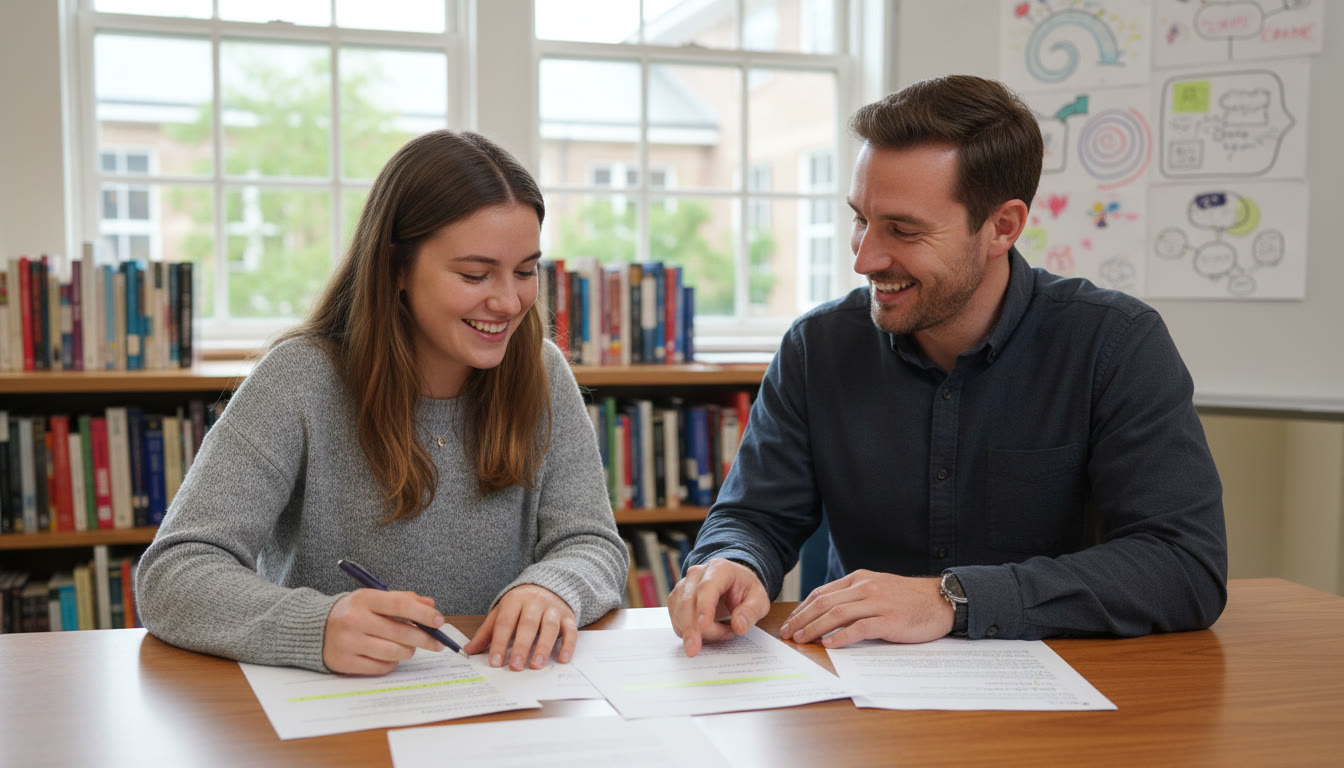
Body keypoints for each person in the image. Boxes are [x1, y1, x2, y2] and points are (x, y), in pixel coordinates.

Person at [669, 75, 1228, 656]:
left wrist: (953, 598)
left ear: (1002, 228)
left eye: (903, 230)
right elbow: (754, 515)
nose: (864, 258)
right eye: (861, 218)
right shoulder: (817, 347)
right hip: (857, 703)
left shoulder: (1115, 344)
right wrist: (730, 562)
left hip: (1055, 700)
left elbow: (1183, 564)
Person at [137, 130, 629, 675]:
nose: (509, 301)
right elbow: (173, 573)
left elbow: (593, 544)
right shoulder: (299, 379)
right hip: (336, 715)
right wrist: (316, 626)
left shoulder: (542, 372)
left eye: (525, 270)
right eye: (474, 274)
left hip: (496, 700)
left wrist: (553, 587)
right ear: (396, 266)